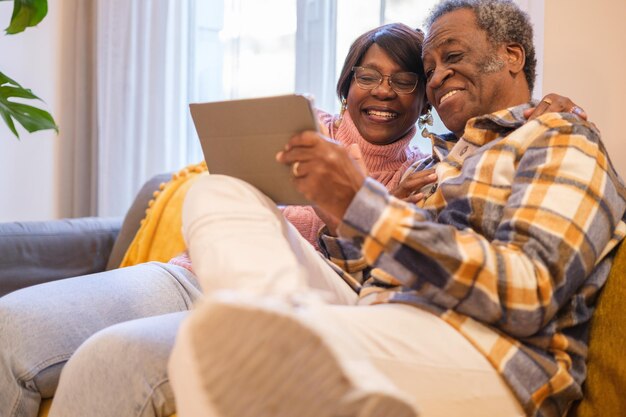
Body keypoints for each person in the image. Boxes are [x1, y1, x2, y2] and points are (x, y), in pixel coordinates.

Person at [0, 19, 587, 417]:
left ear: (423, 105)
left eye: (412, 80)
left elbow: (397, 271)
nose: (390, 90)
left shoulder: (440, 163)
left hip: (348, 305)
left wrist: (368, 207)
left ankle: (277, 331)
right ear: (347, 82)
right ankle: (269, 326)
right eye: (370, 75)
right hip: (208, 278)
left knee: (116, 359)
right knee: (217, 191)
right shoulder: (311, 129)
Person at [167, 1, 626, 417]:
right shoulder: (431, 167)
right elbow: (367, 279)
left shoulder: (559, 136)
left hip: (484, 354)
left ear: (512, 56)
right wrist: (341, 217)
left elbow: (529, 293)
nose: (438, 76)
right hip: (381, 316)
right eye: (429, 69)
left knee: (196, 348)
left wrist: (363, 205)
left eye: (452, 56)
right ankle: (282, 332)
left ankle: (293, 342)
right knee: (221, 190)